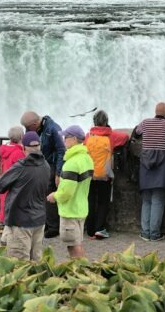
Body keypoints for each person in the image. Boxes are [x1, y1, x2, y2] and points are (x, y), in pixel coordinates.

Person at [0, 131, 52, 259]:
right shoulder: (46, 166)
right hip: (39, 219)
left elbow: (0, 185)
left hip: (20, 220)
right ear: (39, 146)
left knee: (19, 263)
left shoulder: (21, 167)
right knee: (35, 260)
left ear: (24, 147)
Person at [47, 125, 94, 258]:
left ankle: (82, 272)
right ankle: (81, 271)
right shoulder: (87, 159)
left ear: (73, 139)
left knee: (74, 246)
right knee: (77, 243)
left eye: (65, 137)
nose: (63, 140)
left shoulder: (71, 163)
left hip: (70, 210)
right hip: (81, 207)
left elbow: (67, 192)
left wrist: (54, 196)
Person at [134, 102, 165, 241]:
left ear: (155, 111)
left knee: (146, 199)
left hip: (146, 165)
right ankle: (154, 234)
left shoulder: (146, 123)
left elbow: (136, 132)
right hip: (162, 165)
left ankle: (144, 232)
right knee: (158, 199)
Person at [20, 110, 65, 238]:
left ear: (35, 123)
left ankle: (53, 226)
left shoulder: (53, 129)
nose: (26, 130)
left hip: (51, 165)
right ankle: (45, 223)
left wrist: (58, 173)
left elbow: (61, 150)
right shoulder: (37, 129)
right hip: (41, 164)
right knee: (41, 194)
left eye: (27, 127)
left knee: (49, 194)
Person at [84, 110, 121, 239]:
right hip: (105, 176)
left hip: (90, 174)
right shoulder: (111, 136)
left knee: (90, 200)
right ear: (106, 122)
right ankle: (100, 229)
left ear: (94, 122)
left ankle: (89, 230)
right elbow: (125, 138)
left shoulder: (88, 136)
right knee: (103, 202)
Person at [0, 126, 26, 224]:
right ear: (22, 136)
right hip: (14, 182)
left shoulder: (3, 149)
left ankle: (2, 224)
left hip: (4, 180)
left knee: (4, 203)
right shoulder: (19, 153)